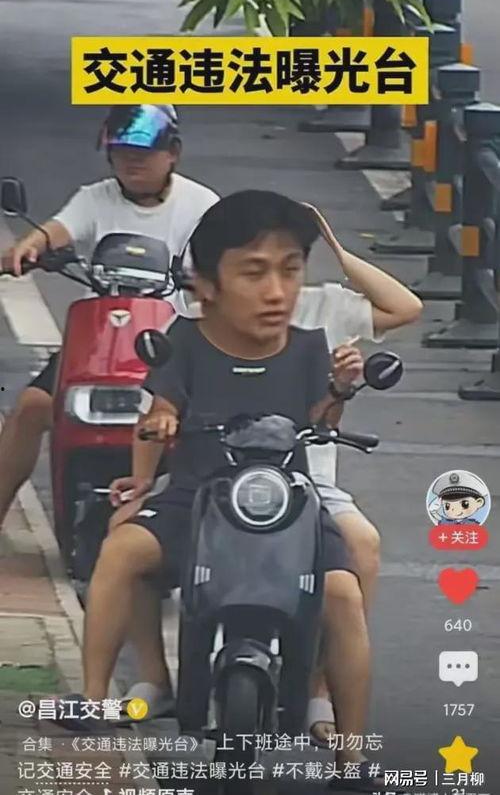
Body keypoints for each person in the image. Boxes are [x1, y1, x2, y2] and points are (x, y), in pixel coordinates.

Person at [54, 191, 416, 791]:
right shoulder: (185, 339)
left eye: (290, 270)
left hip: (290, 502)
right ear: (206, 285)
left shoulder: (310, 345)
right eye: (254, 273)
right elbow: (160, 408)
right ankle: (94, 698)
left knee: (344, 594)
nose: (276, 292)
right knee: (119, 551)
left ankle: (350, 752)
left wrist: (340, 389)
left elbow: (321, 424)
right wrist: (152, 451)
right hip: (195, 497)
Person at [0, 104, 219, 529]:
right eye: (121, 152)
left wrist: (208, 285)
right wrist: (31, 246)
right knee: (30, 406)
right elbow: (55, 230)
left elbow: (224, 266)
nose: (132, 161)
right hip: (101, 340)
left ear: (173, 153)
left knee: (207, 428)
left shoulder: (202, 205)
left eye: (144, 152)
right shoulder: (94, 198)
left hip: (175, 345)